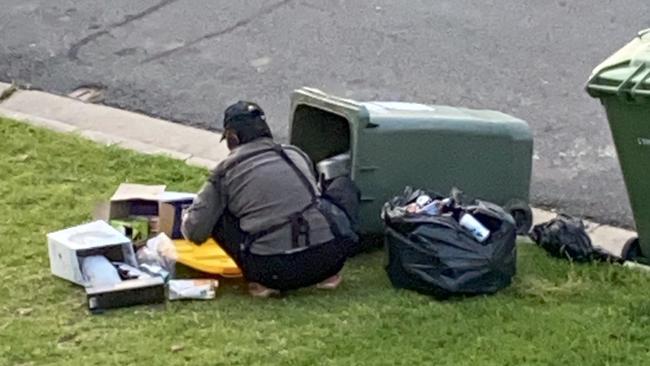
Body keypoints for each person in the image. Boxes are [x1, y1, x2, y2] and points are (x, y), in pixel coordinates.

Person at [181, 101, 360, 297]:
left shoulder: (225, 172)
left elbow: (195, 231)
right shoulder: (295, 154)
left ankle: (261, 285)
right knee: (342, 187)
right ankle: (329, 277)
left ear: (232, 137)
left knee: (215, 213)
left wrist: (186, 216)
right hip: (329, 259)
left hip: (272, 272)